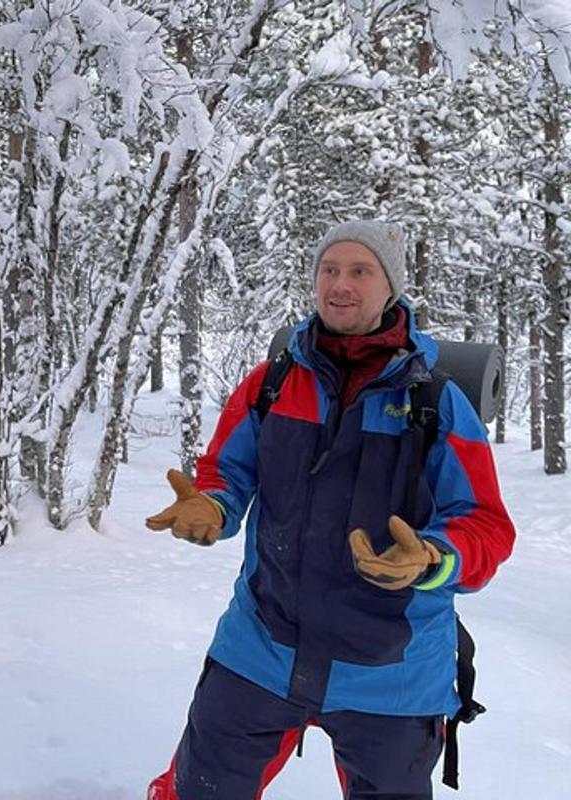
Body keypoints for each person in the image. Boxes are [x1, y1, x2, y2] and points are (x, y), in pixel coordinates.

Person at [144, 220, 515, 800]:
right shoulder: (272, 384)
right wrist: (213, 505)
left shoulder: (437, 403)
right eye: (329, 270)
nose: (339, 285)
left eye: (360, 271)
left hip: (392, 677)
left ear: (389, 287)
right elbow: (228, 470)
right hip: (260, 649)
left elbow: (486, 525)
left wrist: (433, 557)